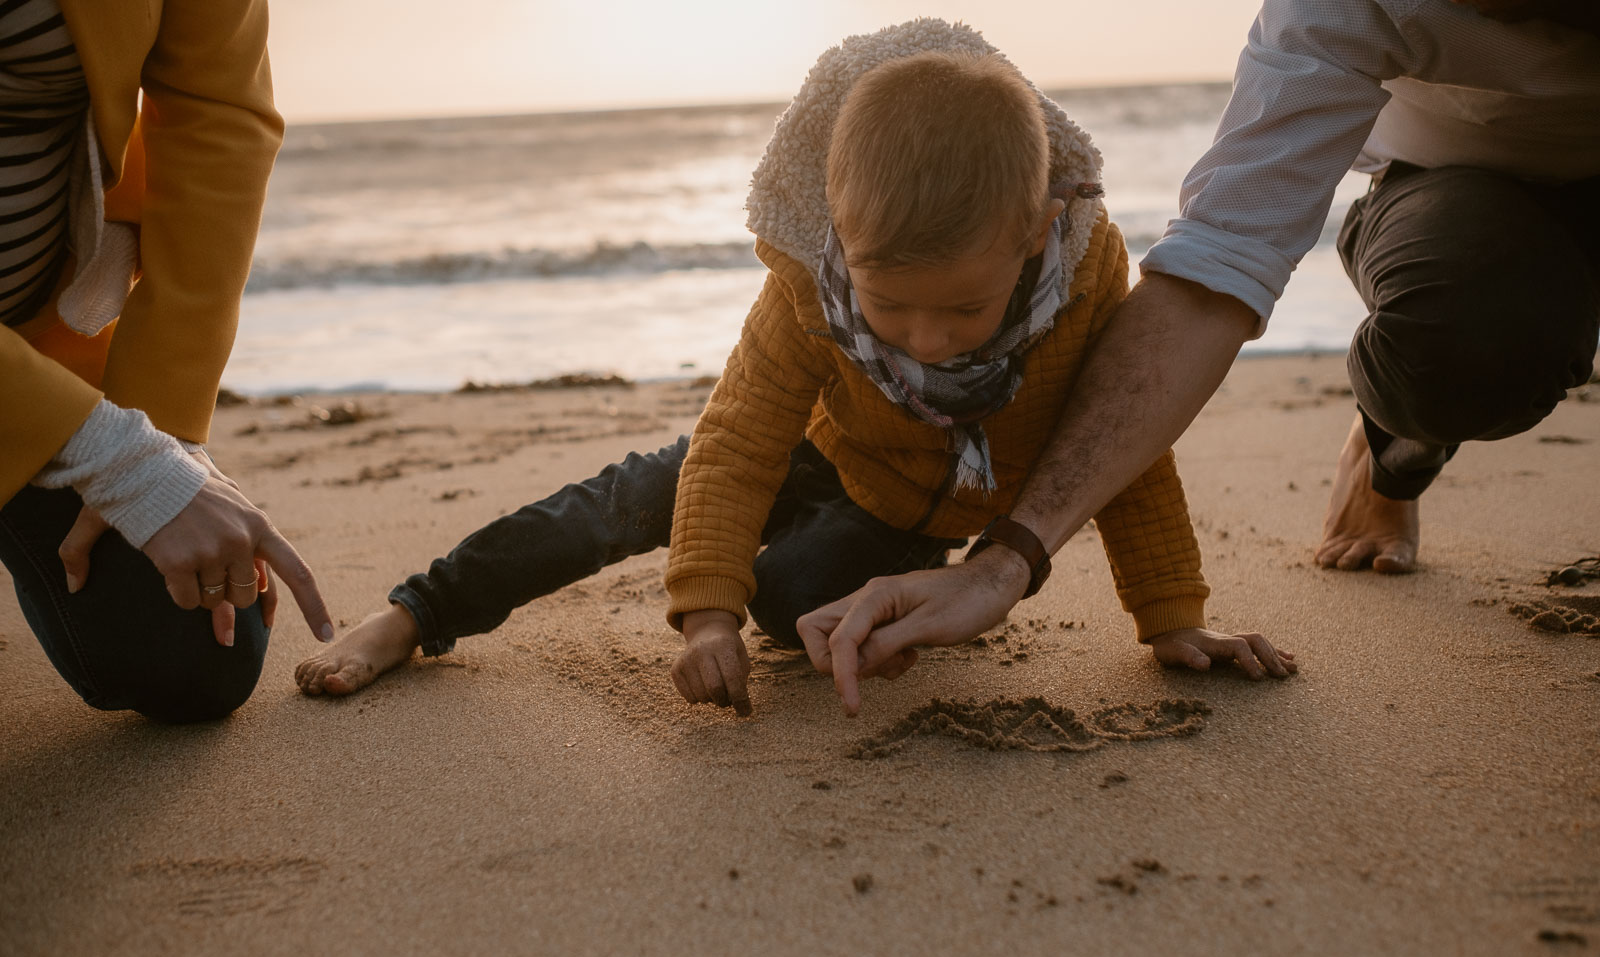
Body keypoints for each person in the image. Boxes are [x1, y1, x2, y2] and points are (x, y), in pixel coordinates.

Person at [295, 20, 1294, 716]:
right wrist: (702, 616)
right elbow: (735, 448)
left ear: (1035, 232)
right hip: (832, 458)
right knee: (634, 496)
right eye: (887, 302)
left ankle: (887, 584)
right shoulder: (805, 293)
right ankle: (415, 611)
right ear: (838, 236)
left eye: (963, 308)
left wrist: (1173, 621)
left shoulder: (1081, 284)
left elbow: (1123, 449)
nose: (925, 338)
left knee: (794, 603)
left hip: (950, 509)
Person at [796, 0, 1598, 697]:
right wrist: (1002, 563)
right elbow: (1214, 270)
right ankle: (1395, 445)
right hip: (1466, 189)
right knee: (1469, 340)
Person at [0, 0, 333, 723]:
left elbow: (220, 112)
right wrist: (118, 459)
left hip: (40, 342)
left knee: (196, 652)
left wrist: (159, 434)